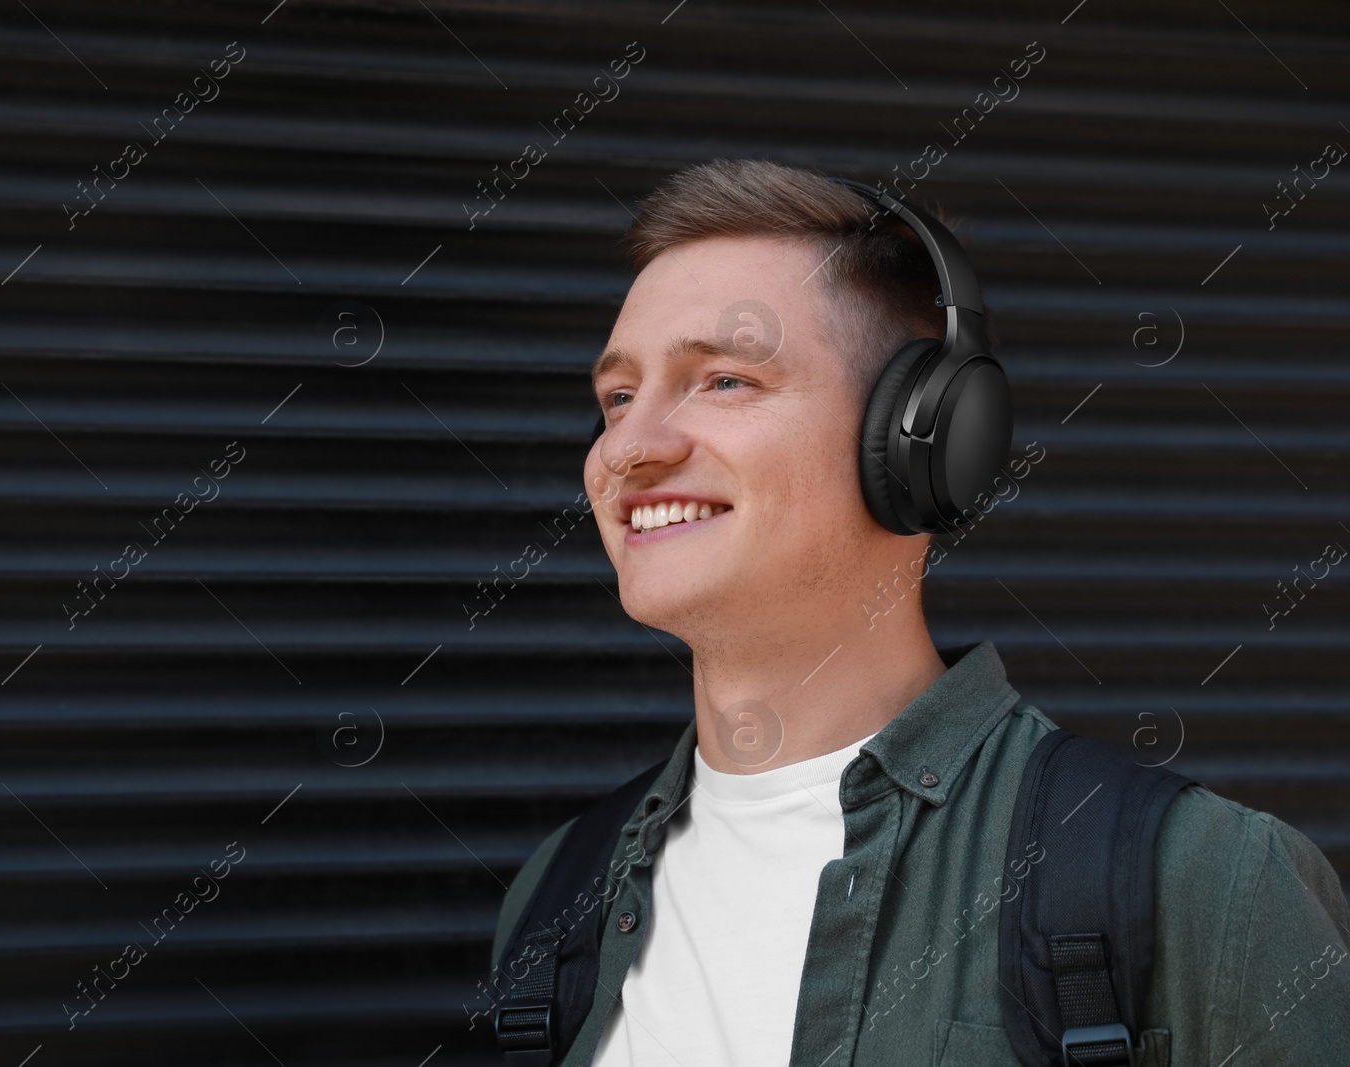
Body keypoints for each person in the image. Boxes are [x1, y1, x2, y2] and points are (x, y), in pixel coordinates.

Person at [488, 160, 1350, 1066]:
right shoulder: (558, 892)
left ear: (922, 439)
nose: (629, 448)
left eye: (725, 381)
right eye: (618, 398)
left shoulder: (1205, 883)